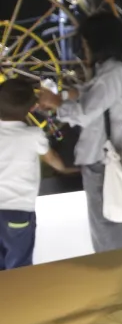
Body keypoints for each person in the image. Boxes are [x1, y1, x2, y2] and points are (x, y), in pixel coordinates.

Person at [38, 11, 122, 253]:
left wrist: (58, 104)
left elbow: (85, 113)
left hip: (103, 158)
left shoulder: (111, 72)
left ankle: (117, 281)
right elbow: (99, 97)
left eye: (85, 43)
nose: (84, 48)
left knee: (106, 227)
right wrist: (70, 94)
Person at [0, 78, 77, 269]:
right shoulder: (33, 135)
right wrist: (70, 169)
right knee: (19, 267)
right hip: (18, 211)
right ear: (32, 107)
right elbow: (53, 161)